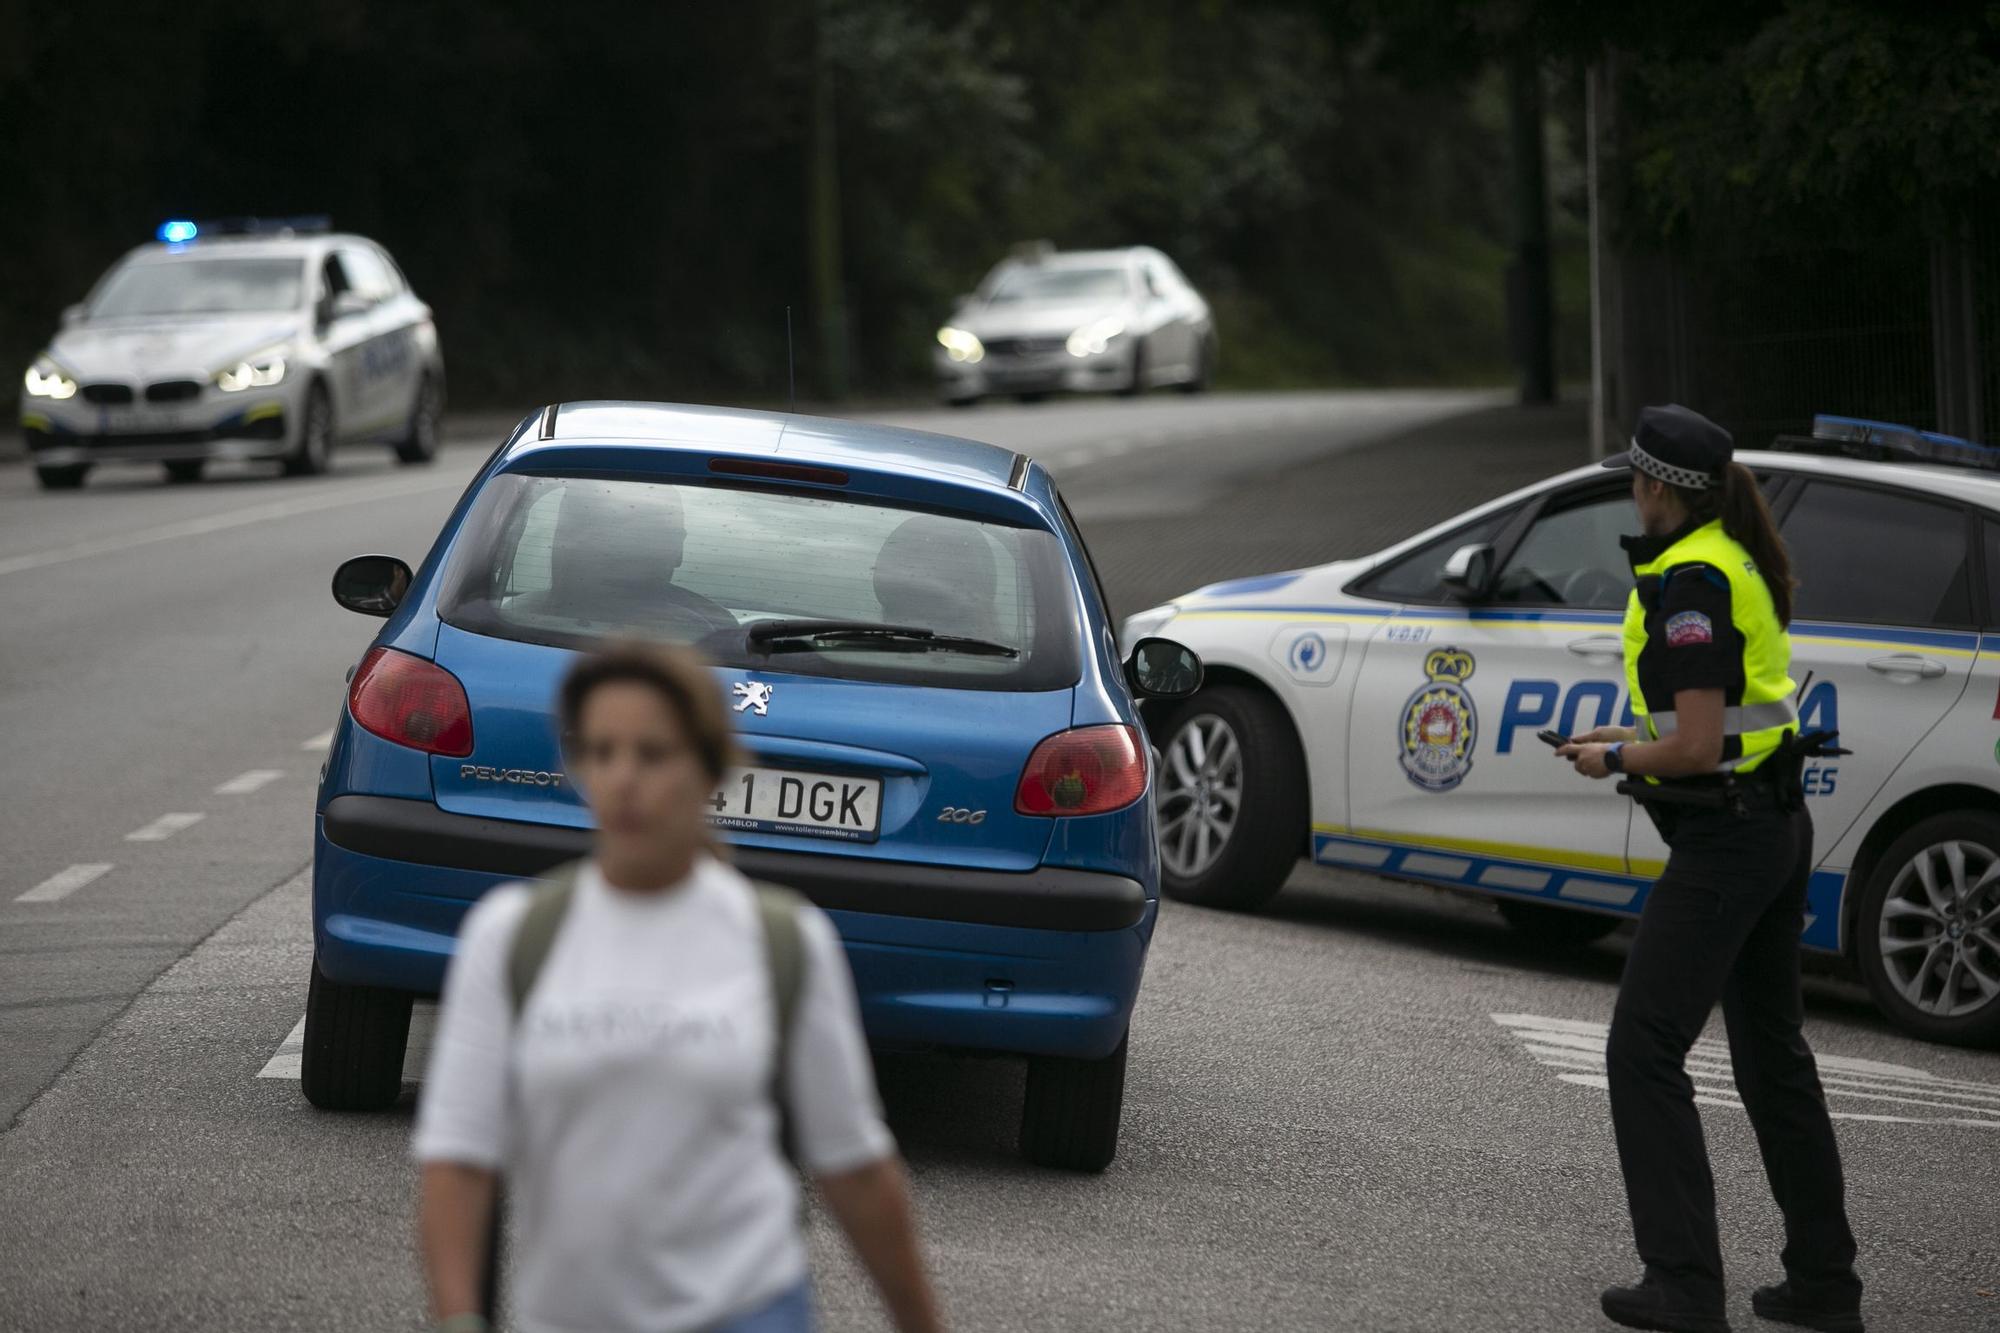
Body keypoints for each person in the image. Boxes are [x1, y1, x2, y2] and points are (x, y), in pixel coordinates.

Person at [414, 642, 944, 1333]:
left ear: (709, 769)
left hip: (746, 1309)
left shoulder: (781, 939)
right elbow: (457, 1159)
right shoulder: (511, 936)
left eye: (652, 753)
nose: (623, 778)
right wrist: (458, 1317)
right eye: (601, 752)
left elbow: (855, 1166)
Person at [1556, 405, 1863, 1333]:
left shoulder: (1692, 580)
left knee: (1642, 1047)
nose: (1632, 492)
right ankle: (1823, 1283)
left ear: (1658, 488)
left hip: (1729, 839)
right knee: (1773, 1060)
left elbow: (1695, 744)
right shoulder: (1735, 557)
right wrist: (1619, 735)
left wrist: (1614, 762)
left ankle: (1685, 1283)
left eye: (1635, 480)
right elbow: (1727, 725)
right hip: (1772, 825)